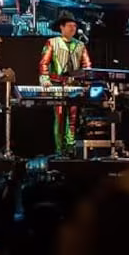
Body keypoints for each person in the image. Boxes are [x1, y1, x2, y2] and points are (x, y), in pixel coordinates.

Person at [39, 13, 92, 155]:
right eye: (70, 25)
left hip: (74, 86)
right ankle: (59, 149)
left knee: (73, 119)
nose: (73, 28)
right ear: (61, 27)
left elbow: (87, 65)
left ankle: (71, 147)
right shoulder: (52, 42)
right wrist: (45, 79)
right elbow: (44, 63)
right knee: (60, 118)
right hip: (57, 85)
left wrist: (87, 81)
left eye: (74, 26)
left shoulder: (80, 45)